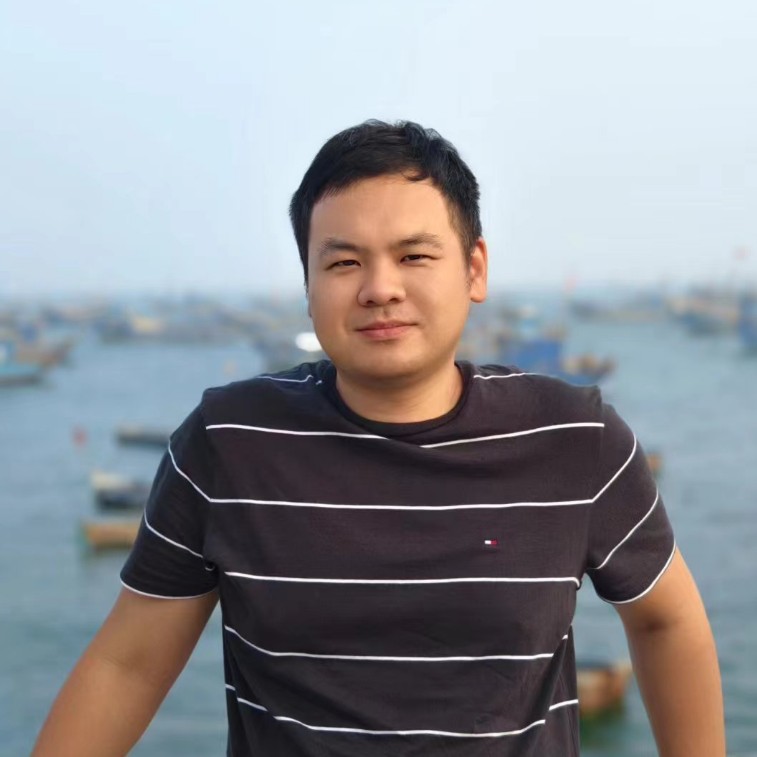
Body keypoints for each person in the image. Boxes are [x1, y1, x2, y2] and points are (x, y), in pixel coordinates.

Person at [33, 120, 725, 756]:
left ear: (474, 269)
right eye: (343, 263)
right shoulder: (228, 443)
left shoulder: (574, 439)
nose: (379, 288)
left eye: (414, 255)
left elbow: (667, 622)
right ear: (308, 283)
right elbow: (127, 665)